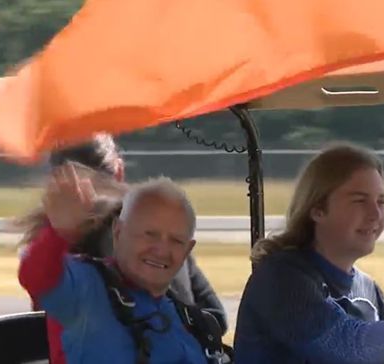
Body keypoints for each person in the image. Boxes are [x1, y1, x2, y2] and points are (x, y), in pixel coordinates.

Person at [15, 134, 227, 364]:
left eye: (176, 241)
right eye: (149, 235)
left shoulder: (178, 313)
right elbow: (37, 277)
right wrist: (59, 234)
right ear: (118, 231)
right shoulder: (88, 287)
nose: (161, 249)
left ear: (187, 248)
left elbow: (215, 322)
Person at [233, 142, 384, 364]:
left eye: (381, 201)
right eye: (359, 201)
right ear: (317, 209)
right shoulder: (281, 277)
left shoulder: (369, 290)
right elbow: (347, 347)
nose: (375, 214)